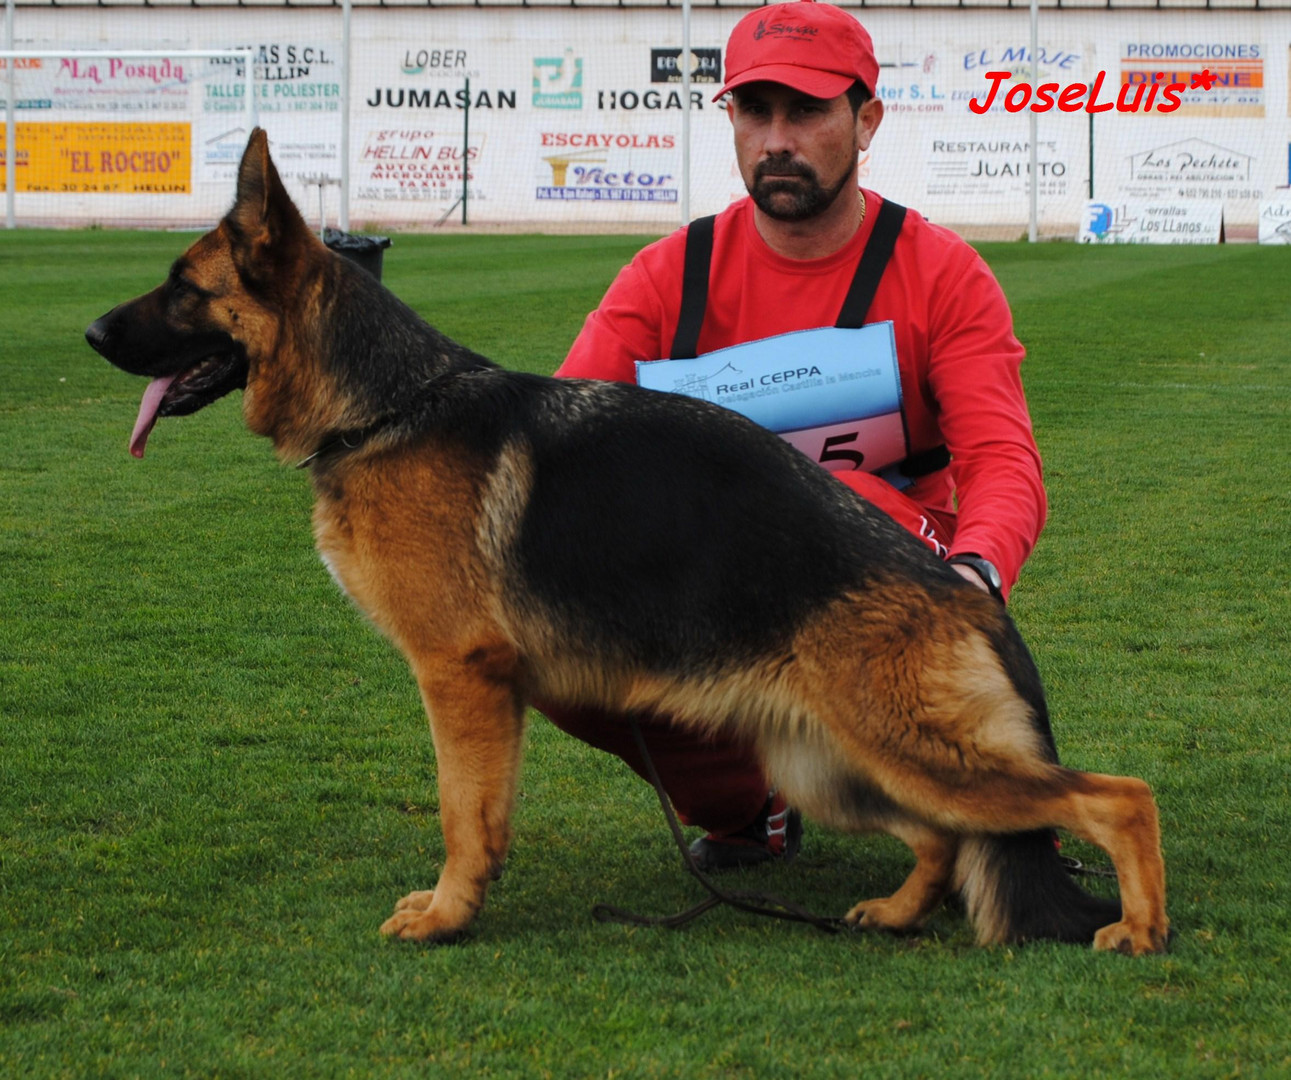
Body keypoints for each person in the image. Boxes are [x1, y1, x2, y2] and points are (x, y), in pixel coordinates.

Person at [542, 0, 1046, 871]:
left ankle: (943, 783)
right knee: (548, 644)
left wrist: (977, 572)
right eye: (754, 110)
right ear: (730, 119)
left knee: (825, 498)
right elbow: (558, 444)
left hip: (887, 578)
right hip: (709, 585)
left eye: (806, 111)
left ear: (866, 120)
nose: (777, 138)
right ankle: (747, 809)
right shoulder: (668, 276)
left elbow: (1000, 459)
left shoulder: (940, 272)